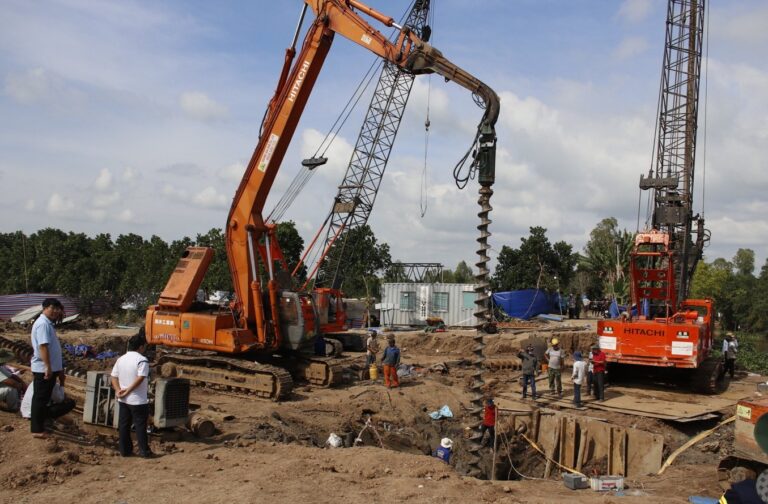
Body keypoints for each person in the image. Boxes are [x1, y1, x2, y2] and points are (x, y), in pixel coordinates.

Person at [111, 332, 153, 458]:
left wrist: (118, 390)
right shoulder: (142, 360)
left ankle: (125, 450)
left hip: (123, 399)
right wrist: (129, 390)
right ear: (140, 347)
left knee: (124, 425)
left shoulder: (121, 359)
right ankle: (144, 451)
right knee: (140, 426)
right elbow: (141, 378)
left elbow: (113, 376)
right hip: (137, 400)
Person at [30, 298, 67, 438]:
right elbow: (43, 347)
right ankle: (37, 429)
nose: (56, 312)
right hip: (43, 368)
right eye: (53, 308)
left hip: (49, 367)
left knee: (43, 399)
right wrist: (48, 367)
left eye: (58, 309)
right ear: (45, 308)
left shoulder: (47, 324)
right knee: (40, 399)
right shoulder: (42, 324)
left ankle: (41, 425)